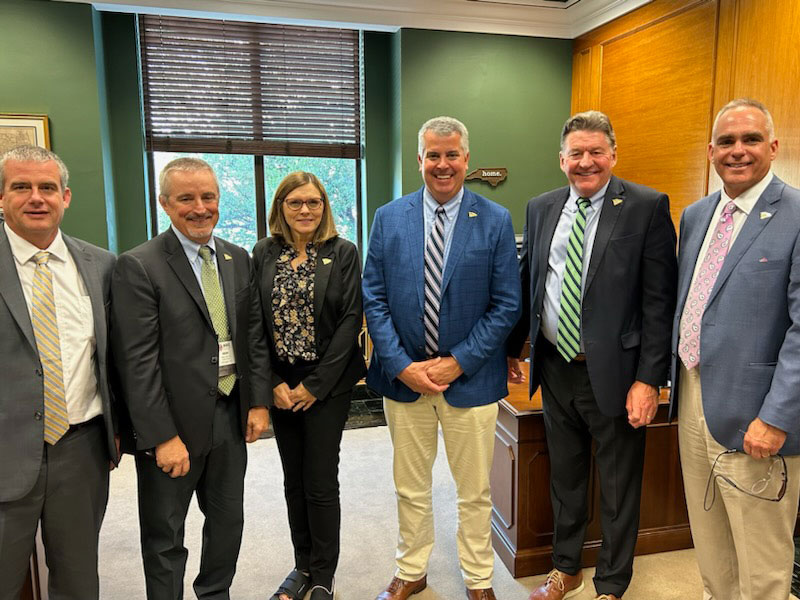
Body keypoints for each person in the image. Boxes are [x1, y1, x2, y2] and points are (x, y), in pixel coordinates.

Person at [507, 111, 677, 600]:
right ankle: (566, 568)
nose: (586, 162)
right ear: (561, 159)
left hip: (620, 375)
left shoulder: (645, 206)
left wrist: (650, 379)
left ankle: (612, 583)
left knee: (620, 486)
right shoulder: (541, 207)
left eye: (596, 152)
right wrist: (513, 349)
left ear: (613, 155)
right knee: (566, 477)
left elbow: (658, 301)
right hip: (556, 369)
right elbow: (531, 282)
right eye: (576, 153)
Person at [363, 116, 521, 600]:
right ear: (420, 160)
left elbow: (506, 303)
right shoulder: (390, 216)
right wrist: (401, 365)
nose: (443, 164)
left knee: (474, 492)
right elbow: (374, 297)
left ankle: (478, 578)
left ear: (466, 160)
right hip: (404, 380)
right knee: (410, 487)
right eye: (433, 155)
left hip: (470, 381)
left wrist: (458, 361)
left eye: (452, 155)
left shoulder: (494, 219)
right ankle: (412, 570)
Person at [110, 157, 271, 600]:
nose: (200, 208)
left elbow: (252, 336)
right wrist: (162, 436)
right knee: (165, 536)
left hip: (229, 414)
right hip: (173, 424)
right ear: (164, 203)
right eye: (186, 198)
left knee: (227, 522)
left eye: (208, 197)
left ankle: (215, 593)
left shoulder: (237, 257)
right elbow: (136, 362)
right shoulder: (139, 265)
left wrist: (257, 402)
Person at [670, 98, 800, 600]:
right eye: (726, 141)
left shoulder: (794, 214)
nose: (737, 150)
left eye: (750, 140)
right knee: (711, 540)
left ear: (773, 146)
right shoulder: (698, 214)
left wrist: (777, 417)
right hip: (694, 394)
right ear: (710, 151)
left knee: (762, 558)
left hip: (758, 412)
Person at [0, 145, 119, 599]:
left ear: (65, 197)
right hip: (6, 449)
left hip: (80, 448)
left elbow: (112, 358)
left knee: (77, 578)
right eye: (21, 187)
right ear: (1, 198)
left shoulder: (101, 265)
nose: (36, 198)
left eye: (47, 187)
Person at [252, 171, 365, 600]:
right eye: (295, 202)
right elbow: (254, 324)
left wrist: (315, 386)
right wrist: (274, 382)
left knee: (320, 480)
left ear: (324, 207)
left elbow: (350, 320)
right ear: (280, 207)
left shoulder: (343, 252)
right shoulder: (263, 252)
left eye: (313, 202)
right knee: (292, 481)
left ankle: (323, 575)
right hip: (282, 386)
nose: (305, 210)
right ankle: (301, 565)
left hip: (327, 385)